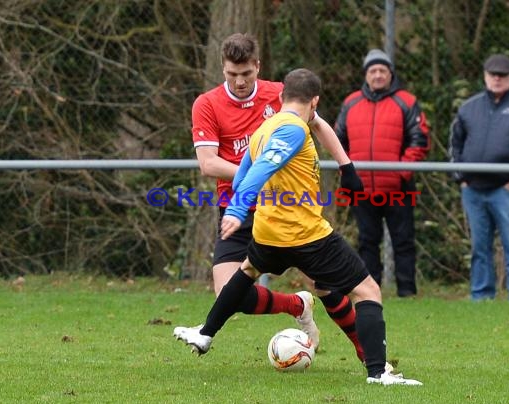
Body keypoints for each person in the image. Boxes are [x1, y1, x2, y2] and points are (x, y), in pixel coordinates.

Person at [173, 68, 422, 385]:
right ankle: (378, 373)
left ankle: (206, 333)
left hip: (267, 231)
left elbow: (245, 169)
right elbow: (263, 167)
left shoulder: (265, 128)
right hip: (305, 235)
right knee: (367, 290)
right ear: (315, 101)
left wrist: (347, 167)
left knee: (248, 270)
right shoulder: (293, 130)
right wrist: (235, 210)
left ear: (280, 97)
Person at [185, 32, 369, 361]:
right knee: (229, 293)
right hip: (236, 208)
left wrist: (346, 165)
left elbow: (318, 124)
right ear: (222, 69)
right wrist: (261, 169)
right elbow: (208, 163)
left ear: (258, 66)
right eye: (232, 74)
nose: (240, 81)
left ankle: (367, 354)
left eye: (246, 74)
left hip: (287, 211)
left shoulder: (279, 96)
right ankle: (296, 305)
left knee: (327, 285)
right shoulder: (207, 104)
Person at [449, 54, 509, 301]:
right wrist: (461, 177)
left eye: (502, 75)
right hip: (472, 189)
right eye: (493, 74)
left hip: (506, 190)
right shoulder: (468, 108)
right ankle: (481, 295)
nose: (497, 79)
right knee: (479, 247)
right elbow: (454, 144)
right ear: (484, 76)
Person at [334, 49, 430, 297]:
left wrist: (401, 172)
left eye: (382, 71)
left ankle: (407, 291)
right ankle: (370, 291)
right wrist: (349, 172)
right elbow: (337, 140)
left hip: (398, 188)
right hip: (362, 188)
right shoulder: (351, 102)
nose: (377, 75)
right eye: (373, 71)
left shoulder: (406, 101)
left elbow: (419, 140)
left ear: (390, 74)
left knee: (404, 241)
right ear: (366, 75)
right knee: (367, 241)